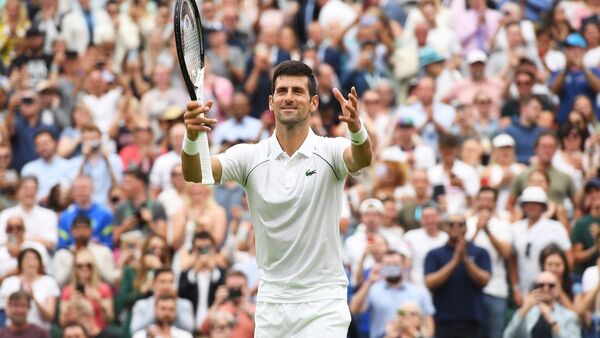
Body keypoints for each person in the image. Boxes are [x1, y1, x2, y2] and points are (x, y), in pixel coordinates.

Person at [181, 60, 372, 336]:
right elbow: (195, 172)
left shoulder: (331, 151)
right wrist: (191, 137)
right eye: (282, 91)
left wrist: (357, 130)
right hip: (272, 302)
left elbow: (361, 157)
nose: (289, 97)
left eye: (297, 91)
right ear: (271, 102)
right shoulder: (250, 156)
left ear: (314, 102)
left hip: (323, 301)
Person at [424, 214, 491, 338]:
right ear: (445, 228)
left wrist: (465, 260)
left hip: (472, 319)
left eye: (460, 224)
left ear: (466, 228)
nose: (456, 227)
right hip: (443, 320)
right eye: (451, 224)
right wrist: (455, 261)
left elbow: (484, 280)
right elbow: (430, 283)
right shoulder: (434, 254)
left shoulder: (481, 252)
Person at [349, 250, 435, 338]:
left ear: (403, 264)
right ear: (382, 266)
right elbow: (354, 309)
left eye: (395, 264)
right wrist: (369, 281)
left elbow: (429, 329)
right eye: (388, 265)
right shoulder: (374, 289)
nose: (392, 267)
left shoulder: (419, 292)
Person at [503, 271, 581, 338]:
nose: (546, 288)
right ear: (535, 287)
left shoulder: (569, 315)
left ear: (558, 289)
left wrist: (552, 321)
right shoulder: (525, 312)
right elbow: (508, 335)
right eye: (541, 285)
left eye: (551, 285)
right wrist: (523, 311)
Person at [129, 268, 194, 334]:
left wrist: (174, 306)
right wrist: (155, 307)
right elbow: (134, 330)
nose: (167, 286)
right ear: (153, 283)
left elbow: (189, 329)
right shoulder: (141, 304)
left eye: (170, 282)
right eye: (162, 282)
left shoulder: (184, 304)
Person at [200, 270, 255, 338]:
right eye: (232, 288)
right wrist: (216, 303)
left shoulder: (255, 310)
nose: (236, 291)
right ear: (226, 288)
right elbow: (203, 330)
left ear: (246, 288)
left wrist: (251, 314)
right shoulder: (219, 308)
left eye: (239, 287)